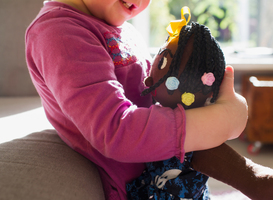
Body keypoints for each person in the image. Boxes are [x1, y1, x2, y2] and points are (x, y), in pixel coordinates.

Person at [25, 1, 248, 199]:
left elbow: (157, 96)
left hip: (173, 176)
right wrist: (222, 120)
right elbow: (116, 130)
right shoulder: (59, 32)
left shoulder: (124, 30)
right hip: (140, 189)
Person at [127, 9, 273, 200]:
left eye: (162, 63)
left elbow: (253, 178)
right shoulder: (149, 115)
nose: (148, 79)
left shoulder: (195, 138)